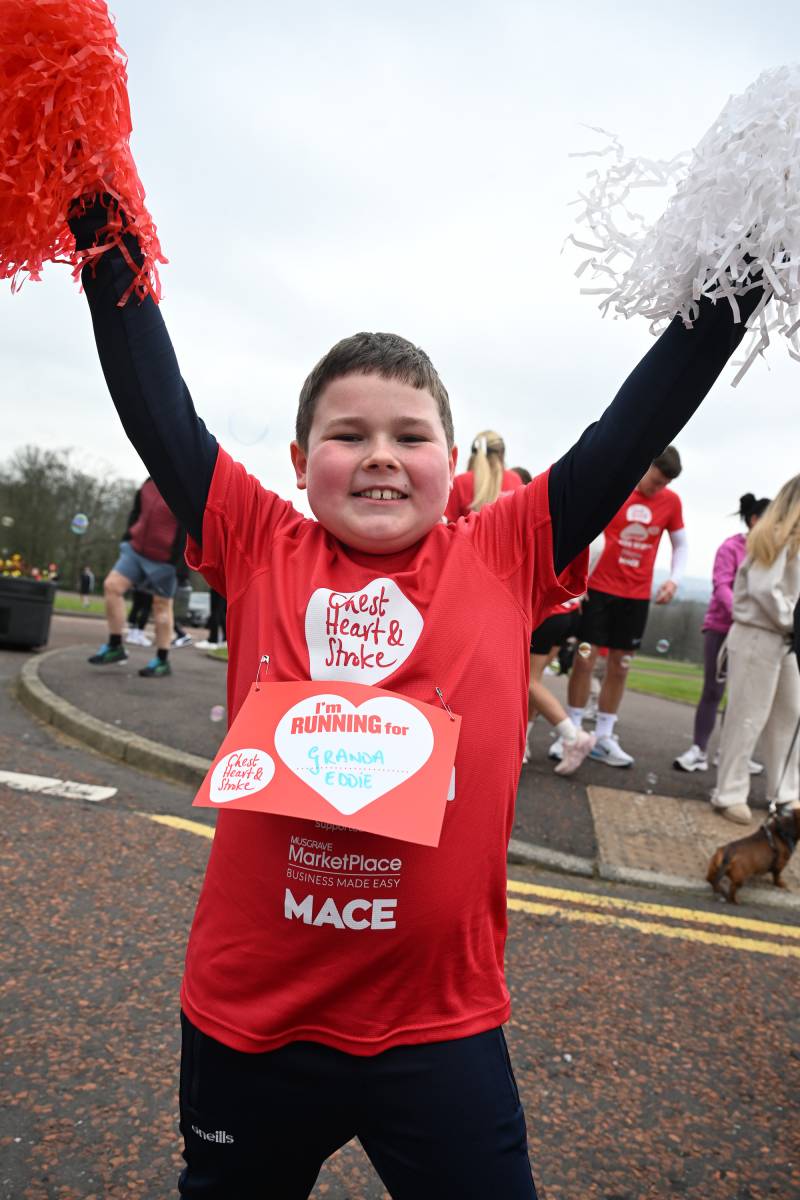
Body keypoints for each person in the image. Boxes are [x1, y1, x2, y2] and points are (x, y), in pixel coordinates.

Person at [64, 182, 767, 1198]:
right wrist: (94, 203)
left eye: (411, 435)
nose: (381, 457)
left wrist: (742, 260)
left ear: (454, 463)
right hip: (252, 1022)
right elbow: (154, 400)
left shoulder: (508, 549)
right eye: (348, 435)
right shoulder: (257, 541)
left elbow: (636, 421)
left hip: (438, 1032)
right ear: (300, 462)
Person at [555, 447, 688, 767]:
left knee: (620, 666)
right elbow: (586, 530)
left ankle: (604, 735)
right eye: (656, 480)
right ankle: (571, 734)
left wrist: (674, 580)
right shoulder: (617, 487)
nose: (659, 488)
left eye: (665, 484)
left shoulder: (671, 502)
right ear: (647, 465)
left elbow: (680, 544)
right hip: (598, 591)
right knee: (585, 660)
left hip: (636, 596)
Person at [710, 476, 800, 824]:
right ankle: (729, 792)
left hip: (784, 639)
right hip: (758, 634)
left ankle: (785, 791)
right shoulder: (774, 536)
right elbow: (765, 589)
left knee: (789, 715)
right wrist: (792, 619)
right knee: (747, 717)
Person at [673, 492, 771, 773]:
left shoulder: (772, 553)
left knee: (742, 695)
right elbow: (721, 585)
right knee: (713, 690)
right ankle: (698, 751)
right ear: (754, 520)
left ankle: (729, 753)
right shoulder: (731, 547)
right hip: (722, 627)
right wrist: (742, 613)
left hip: (755, 631)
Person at [89, 477, 184, 678]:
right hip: (135, 551)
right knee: (112, 586)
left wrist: (179, 565)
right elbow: (136, 512)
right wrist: (128, 536)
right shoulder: (148, 483)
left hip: (164, 560)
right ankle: (115, 646)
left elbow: (189, 529)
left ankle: (162, 660)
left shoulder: (185, 487)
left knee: (161, 607)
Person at [525, 595, 595, 774]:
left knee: (528, 681)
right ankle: (522, 744)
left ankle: (573, 736)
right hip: (568, 612)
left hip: (548, 611)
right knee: (534, 679)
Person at [444, 430, 523, 520]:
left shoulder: (460, 482)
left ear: (474, 453)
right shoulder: (515, 479)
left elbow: (449, 525)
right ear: (502, 453)